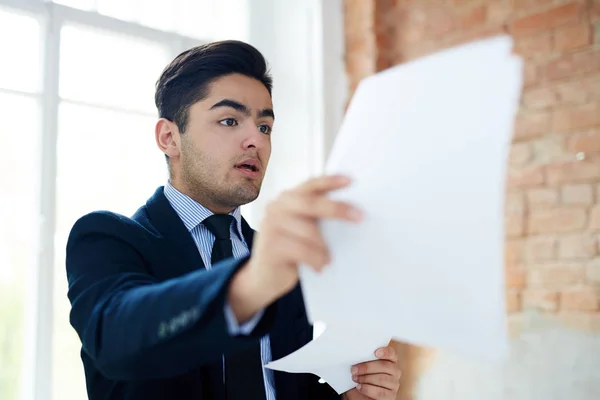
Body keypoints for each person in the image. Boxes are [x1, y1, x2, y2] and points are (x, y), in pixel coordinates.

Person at [65, 40, 401, 400]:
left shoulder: (278, 256)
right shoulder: (107, 239)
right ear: (169, 138)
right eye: (229, 120)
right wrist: (249, 285)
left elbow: (283, 386)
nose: (255, 139)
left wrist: (350, 398)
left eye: (265, 127)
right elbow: (117, 341)